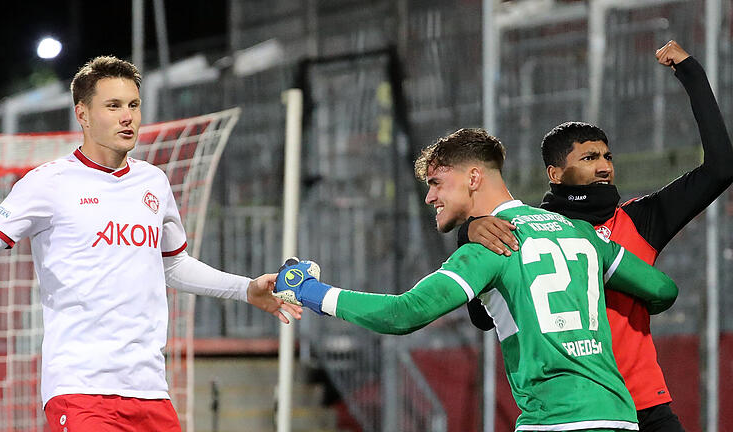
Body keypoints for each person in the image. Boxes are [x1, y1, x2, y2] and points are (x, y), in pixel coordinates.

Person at [0, 56, 301, 432]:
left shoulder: (154, 183)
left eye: (133, 105)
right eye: (113, 106)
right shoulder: (48, 182)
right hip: (80, 390)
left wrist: (245, 289)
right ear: (83, 114)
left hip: (150, 391)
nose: (128, 116)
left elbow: (173, 265)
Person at [274, 127, 679, 431]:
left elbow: (403, 313)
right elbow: (663, 290)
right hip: (620, 418)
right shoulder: (579, 232)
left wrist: (306, 290)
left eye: (436, 183)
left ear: (472, 178)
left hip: (556, 420)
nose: (430, 197)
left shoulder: (491, 245)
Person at [461, 40, 733, 431]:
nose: (604, 166)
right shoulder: (527, 229)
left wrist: (692, 73)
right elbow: (482, 317)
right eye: (589, 158)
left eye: (607, 156)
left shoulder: (639, 219)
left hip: (644, 404)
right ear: (555, 175)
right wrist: (470, 232)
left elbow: (721, 168)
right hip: (574, 412)